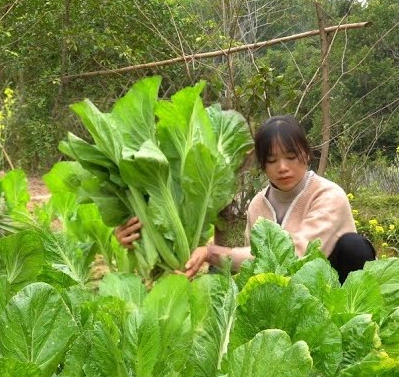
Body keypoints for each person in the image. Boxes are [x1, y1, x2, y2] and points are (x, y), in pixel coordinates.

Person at [115, 115, 375, 282]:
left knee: (355, 247)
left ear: (306, 155)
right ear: (262, 165)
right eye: (272, 160)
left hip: (329, 285)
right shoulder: (258, 204)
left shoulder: (328, 195)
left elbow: (296, 254)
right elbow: (256, 261)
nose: (282, 167)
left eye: (291, 157)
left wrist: (211, 253)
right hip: (287, 292)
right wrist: (142, 234)